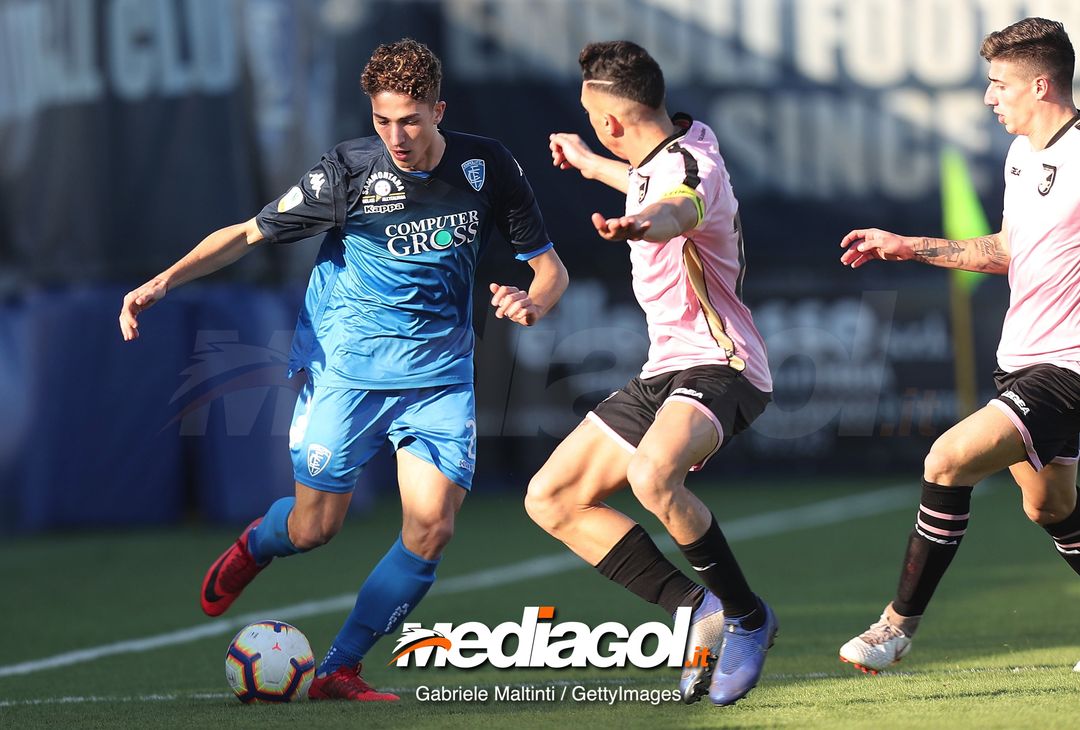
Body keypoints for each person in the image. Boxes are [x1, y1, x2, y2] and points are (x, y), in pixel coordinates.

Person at [118, 38, 568, 700]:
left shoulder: (487, 165)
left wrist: (533, 303)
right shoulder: (349, 173)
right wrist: (162, 281)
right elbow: (247, 233)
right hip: (347, 372)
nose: (396, 136)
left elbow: (550, 268)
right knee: (315, 528)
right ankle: (257, 545)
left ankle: (340, 667)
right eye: (383, 121)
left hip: (439, 377)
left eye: (410, 120)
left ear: (438, 110)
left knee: (433, 526)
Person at [525, 41, 776, 707]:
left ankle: (749, 616)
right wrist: (592, 166)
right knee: (550, 499)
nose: (587, 125)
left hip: (724, 365)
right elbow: (650, 180)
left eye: (590, 117)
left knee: (651, 475)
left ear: (613, 120)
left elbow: (679, 205)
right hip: (664, 369)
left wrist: (643, 225)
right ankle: (698, 607)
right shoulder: (676, 141)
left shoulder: (695, 170)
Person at [838, 17, 1080, 674]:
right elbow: (1006, 250)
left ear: (1042, 82)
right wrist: (907, 246)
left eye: (999, 84)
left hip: (1068, 369)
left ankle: (894, 629)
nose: (989, 97)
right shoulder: (1023, 155)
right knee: (1049, 506)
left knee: (947, 460)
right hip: (1020, 361)